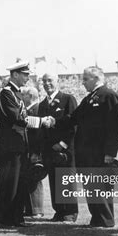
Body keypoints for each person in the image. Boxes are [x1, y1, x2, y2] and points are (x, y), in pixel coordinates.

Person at [52, 67, 118, 228]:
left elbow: (115, 127)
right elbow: (73, 118)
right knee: (91, 187)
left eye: (85, 79)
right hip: (86, 153)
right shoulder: (90, 98)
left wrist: (110, 153)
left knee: (100, 187)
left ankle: (105, 220)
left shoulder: (108, 95)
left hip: (99, 153)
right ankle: (97, 218)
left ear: (96, 78)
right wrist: (53, 121)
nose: (82, 82)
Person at [0, 61, 49, 228]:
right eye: (25, 74)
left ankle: (15, 218)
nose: (27, 78)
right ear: (15, 75)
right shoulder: (6, 93)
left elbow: (20, 118)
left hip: (19, 145)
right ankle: (1, 218)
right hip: (10, 146)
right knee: (8, 183)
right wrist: (41, 121)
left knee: (19, 184)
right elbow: (17, 118)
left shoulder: (16, 94)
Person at [37, 72, 78, 222]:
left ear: (57, 81)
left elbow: (74, 124)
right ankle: (59, 211)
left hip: (64, 150)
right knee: (54, 181)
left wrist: (62, 144)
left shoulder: (67, 99)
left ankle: (70, 212)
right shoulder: (42, 104)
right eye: (44, 81)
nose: (47, 83)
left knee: (66, 180)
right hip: (49, 150)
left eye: (50, 80)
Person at [21, 85, 44, 218]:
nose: (21, 97)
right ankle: (30, 209)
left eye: (23, 95)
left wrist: (36, 151)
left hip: (34, 150)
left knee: (35, 180)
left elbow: (39, 133)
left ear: (29, 96)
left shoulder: (37, 109)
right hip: (27, 150)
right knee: (28, 179)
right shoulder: (29, 109)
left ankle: (37, 210)